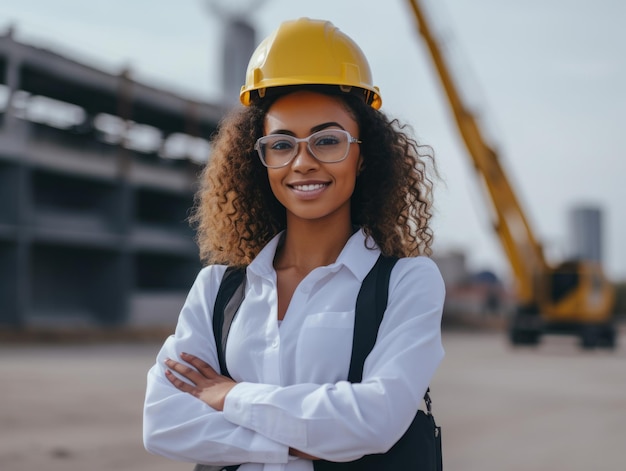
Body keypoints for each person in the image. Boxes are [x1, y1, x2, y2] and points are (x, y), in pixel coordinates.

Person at [143, 17, 445, 470]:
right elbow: (164, 423)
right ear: (259, 160)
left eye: (327, 141)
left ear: (363, 156)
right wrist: (312, 436)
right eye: (281, 145)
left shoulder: (408, 282)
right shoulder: (217, 288)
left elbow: (374, 422)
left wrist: (230, 395)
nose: (302, 162)